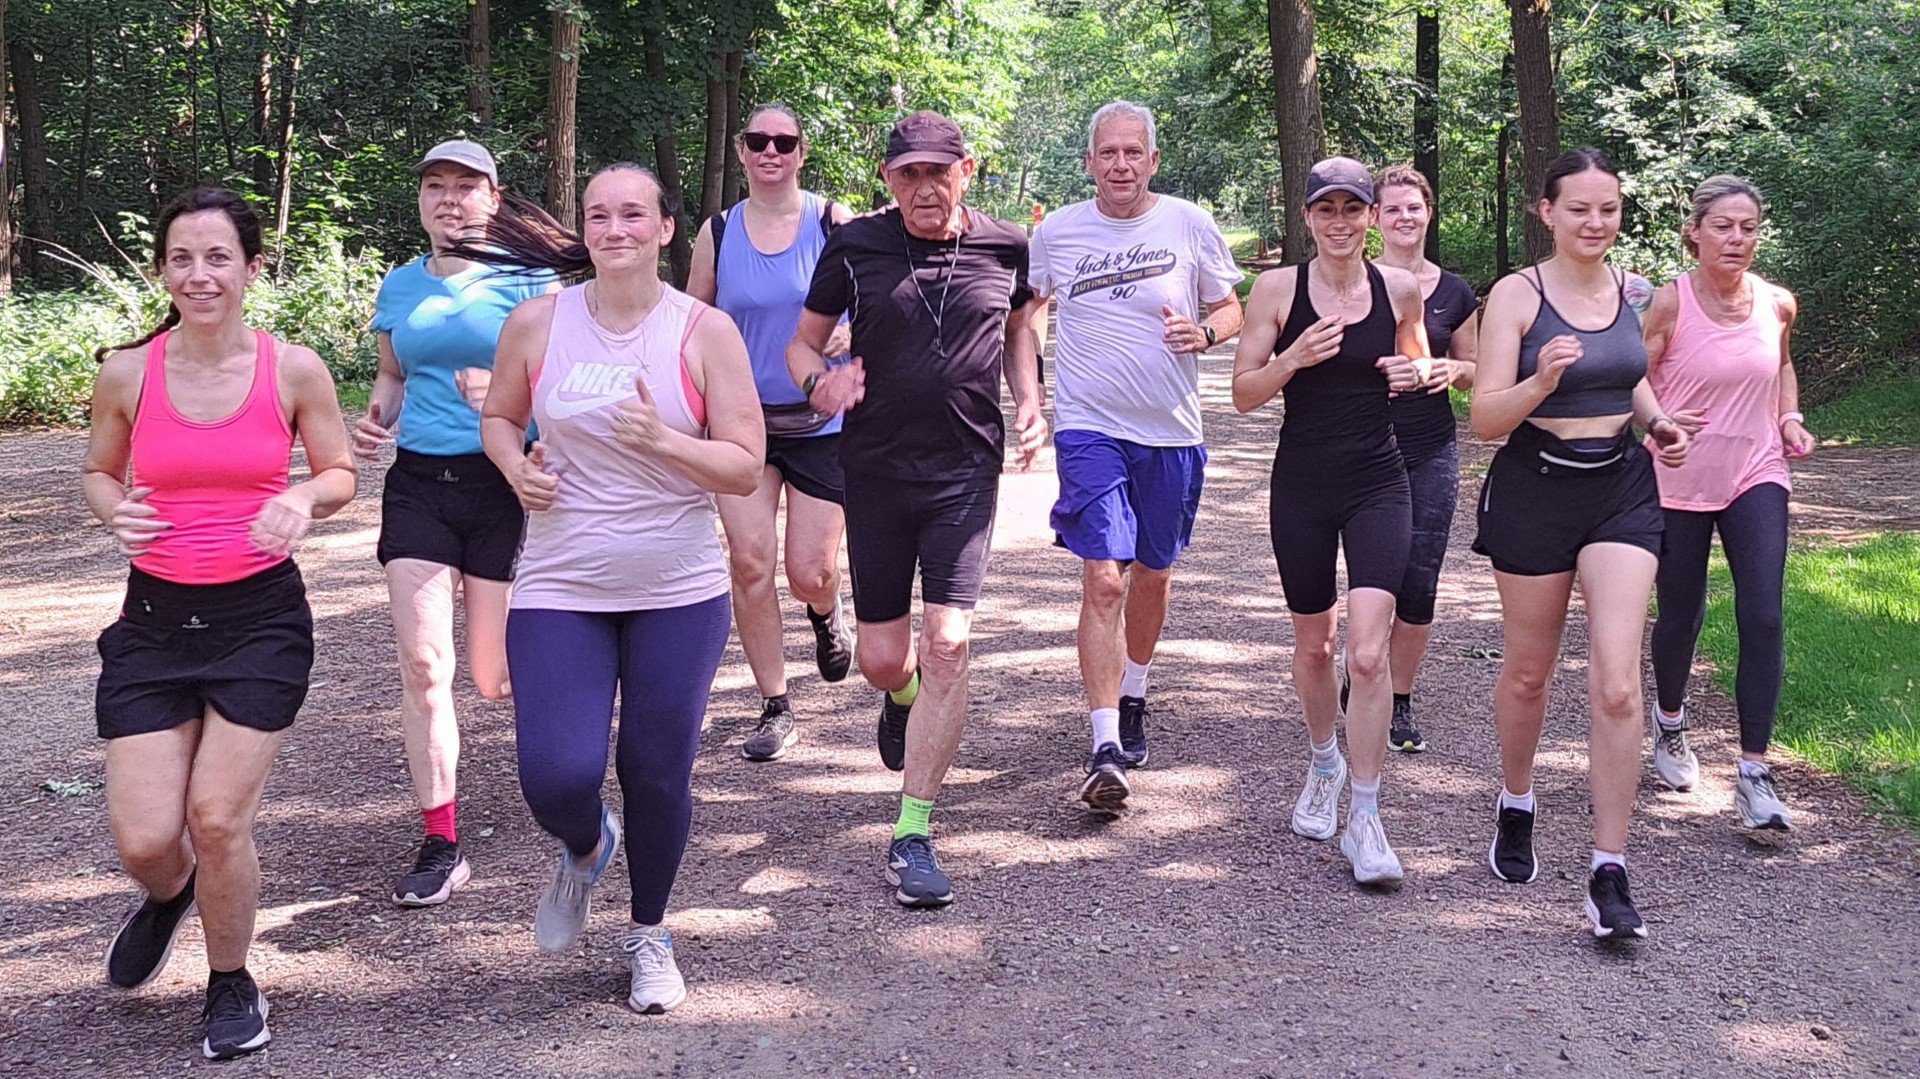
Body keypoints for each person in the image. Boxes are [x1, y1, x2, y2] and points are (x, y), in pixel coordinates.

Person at [457, 164, 762, 1012]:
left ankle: (650, 932)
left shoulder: (703, 331)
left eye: (633, 214)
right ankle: (588, 844)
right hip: (561, 581)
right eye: (599, 215)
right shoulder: (538, 322)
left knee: (656, 772)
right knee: (556, 775)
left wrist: (665, 440)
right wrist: (516, 468)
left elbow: (744, 465)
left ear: (665, 229)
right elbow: (497, 417)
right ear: (585, 229)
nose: (615, 228)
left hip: (678, 588)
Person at [83, 187, 356, 1058]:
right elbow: (99, 472)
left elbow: (341, 469)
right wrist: (114, 511)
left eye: (217, 258)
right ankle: (172, 894)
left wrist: (303, 498)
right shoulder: (129, 373)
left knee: (215, 815)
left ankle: (231, 979)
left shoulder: (294, 369)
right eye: (181, 259)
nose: (198, 275)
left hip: (259, 620)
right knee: (145, 841)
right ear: (162, 271)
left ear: (251, 267)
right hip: (153, 621)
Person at [787, 110, 1045, 907]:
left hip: (965, 472)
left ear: (968, 171)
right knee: (882, 660)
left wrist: (1030, 400)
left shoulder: (1006, 245)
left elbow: (1019, 327)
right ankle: (902, 697)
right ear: (889, 179)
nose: (925, 187)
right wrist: (819, 383)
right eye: (909, 173)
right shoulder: (855, 245)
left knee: (949, 643)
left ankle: (913, 830)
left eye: (939, 171)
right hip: (875, 472)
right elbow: (802, 343)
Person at [1469, 147, 1693, 939]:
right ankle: (1517, 799)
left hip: (1620, 490)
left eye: (1609, 209)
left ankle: (1609, 869)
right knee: (1529, 673)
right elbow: (1485, 418)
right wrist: (1539, 381)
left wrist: (1657, 423)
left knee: (1619, 683)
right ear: (1548, 212)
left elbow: (1629, 375)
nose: (1596, 223)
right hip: (1534, 489)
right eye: (1579, 209)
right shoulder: (1517, 294)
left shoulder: (1632, 288)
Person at [1025, 101, 1244, 810]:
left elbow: (1231, 308)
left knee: (1153, 572)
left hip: (1171, 431)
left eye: (1132, 152)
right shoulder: (1057, 231)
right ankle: (1105, 744)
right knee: (1104, 580)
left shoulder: (1188, 223)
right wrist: (1030, 389)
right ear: (1089, 162)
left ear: (1153, 160)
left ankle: (1135, 690)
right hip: (1089, 427)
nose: (1120, 165)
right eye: (1107, 153)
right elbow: (1028, 310)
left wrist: (1206, 334)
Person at [354, 140, 555, 907]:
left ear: (493, 199)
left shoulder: (528, 279)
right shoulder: (401, 284)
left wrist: (507, 398)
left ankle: (568, 774)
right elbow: (393, 373)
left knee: (491, 675)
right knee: (424, 663)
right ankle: (441, 841)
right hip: (418, 487)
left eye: (465, 187)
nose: (448, 198)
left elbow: (561, 384)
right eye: (435, 186)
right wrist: (376, 419)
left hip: (502, 486)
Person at [1231, 158, 1424, 884]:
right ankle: (1324, 764)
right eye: (1325, 210)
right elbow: (1244, 392)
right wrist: (1293, 358)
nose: (1339, 222)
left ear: (1371, 216)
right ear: (1308, 217)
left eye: (1352, 209)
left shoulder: (1398, 288)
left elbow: (1417, 363)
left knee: (1367, 655)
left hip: (1379, 482)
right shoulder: (1277, 290)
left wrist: (1412, 372)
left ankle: (1366, 817)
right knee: (1316, 647)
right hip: (1303, 486)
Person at [687, 105, 856, 762]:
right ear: (741, 150)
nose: (771, 151)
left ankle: (826, 609)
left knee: (809, 570)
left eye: (784, 142)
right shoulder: (718, 231)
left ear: (801, 152)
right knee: (750, 562)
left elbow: (878, 298)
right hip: (742, 423)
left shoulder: (832, 221)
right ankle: (776, 703)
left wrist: (854, 329)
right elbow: (692, 320)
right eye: (758, 140)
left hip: (821, 420)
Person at [1642, 175, 1810, 830]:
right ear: (1695, 232)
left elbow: (1782, 366)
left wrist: (1789, 417)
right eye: (1723, 226)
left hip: (1755, 470)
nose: (1737, 238)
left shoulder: (1777, 303)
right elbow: (1632, 379)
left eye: (1748, 227)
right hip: (1678, 476)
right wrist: (1658, 423)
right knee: (1681, 614)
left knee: (1763, 614)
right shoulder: (1670, 303)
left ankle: (1754, 772)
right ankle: (1670, 722)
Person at [1352, 165, 1480, 754]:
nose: (1405, 217)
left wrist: (1454, 369)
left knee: (1420, 575)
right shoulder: (1354, 282)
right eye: (1393, 209)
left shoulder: (1454, 291)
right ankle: (1364, 670)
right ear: (1374, 218)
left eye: (1415, 207)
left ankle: (1399, 697)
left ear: (1429, 212)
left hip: (1430, 446)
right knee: (1370, 574)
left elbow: (1477, 369)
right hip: (1362, 444)